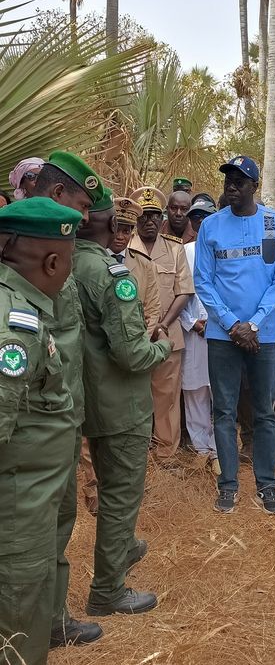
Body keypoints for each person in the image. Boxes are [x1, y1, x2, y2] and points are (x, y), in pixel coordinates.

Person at [74, 188, 173, 616]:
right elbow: (132, 354)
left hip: (88, 398)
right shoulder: (111, 275)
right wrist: (162, 349)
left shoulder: (67, 262)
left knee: (113, 488)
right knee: (120, 495)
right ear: (107, 223)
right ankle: (108, 591)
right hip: (121, 404)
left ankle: (123, 547)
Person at [0, 198, 83, 665]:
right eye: (68, 262)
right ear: (53, 262)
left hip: (26, 499)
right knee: (18, 631)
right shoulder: (17, 326)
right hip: (17, 512)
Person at [34, 151, 105, 648]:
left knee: (59, 522)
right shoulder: (23, 250)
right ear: (57, 195)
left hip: (63, 417)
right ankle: (30, 630)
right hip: (35, 424)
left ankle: (53, 619)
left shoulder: (57, 247)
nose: (86, 218)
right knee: (32, 532)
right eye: (81, 206)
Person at [194, 155, 275, 515]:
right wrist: (233, 323)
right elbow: (203, 281)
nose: (231, 188)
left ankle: (267, 486)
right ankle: (229, 485)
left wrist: (254, 323)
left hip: (263, 336)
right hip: (223, 336)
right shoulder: (211, 227)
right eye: (227, 182)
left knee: (264, 411)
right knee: (224, 411)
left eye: (239, 182)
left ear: (254, 186)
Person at [129, 187, 194, 464]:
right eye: (144, 216)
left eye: (155, 215)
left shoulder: (175, 249)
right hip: (132, 338)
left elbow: (184, 291)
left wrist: (163, 325)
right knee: (134, 396)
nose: (150, 221)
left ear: (162, 216)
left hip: (168, 335)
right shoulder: (124, 247)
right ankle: (136, 450)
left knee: (166, 397)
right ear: (135, 218)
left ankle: (166, 453)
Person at [180, 198, 219, 468]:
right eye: (196, 217)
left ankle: (219, 450)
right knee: (194, 390)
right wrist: (192, 322)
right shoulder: (183, 252)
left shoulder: (224, 250)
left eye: (206, 216)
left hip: (220, 331)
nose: (200, 221)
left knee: (220, 391)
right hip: (193, 331)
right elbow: (177, 292)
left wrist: (216, 321)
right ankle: (201, 448)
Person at [109, 195, 161, 336]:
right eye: (116, 230)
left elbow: (153, 309)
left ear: (132, 233)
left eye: (126, 231)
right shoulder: (95, 260)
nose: (120, 236)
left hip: (138, 342)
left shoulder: (144, 264)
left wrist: (142, 343)